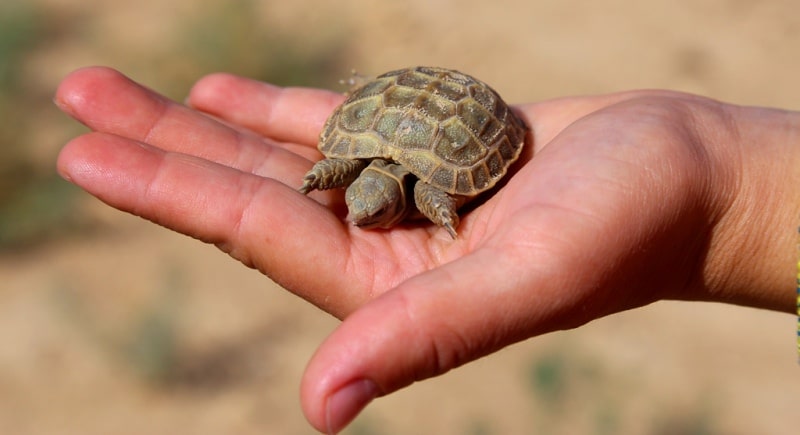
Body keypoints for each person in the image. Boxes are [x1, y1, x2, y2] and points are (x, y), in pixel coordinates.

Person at [54, 66, 798, 434]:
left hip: (454, 121)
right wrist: (326, 176)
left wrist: (722, 178)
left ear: (397, 196)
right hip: (399, 115)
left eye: (373, 208)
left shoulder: (430, 192)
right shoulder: (353, 179)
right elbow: (342, 175)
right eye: (357, 205)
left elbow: (438, 197)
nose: (363, 216)